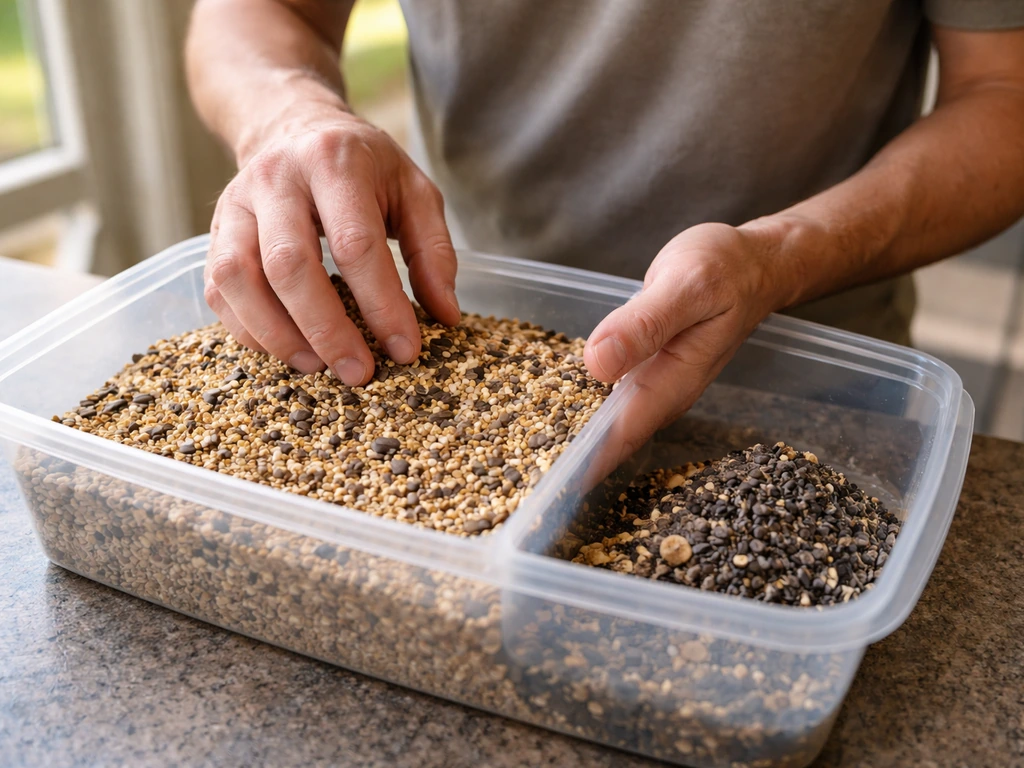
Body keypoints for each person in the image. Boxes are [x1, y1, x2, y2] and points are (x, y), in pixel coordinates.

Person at [186, 0, 1024, 461]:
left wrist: (779, 258)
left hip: (810, 382)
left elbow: (1004, 95)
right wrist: (287, 116)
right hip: (459, 350)